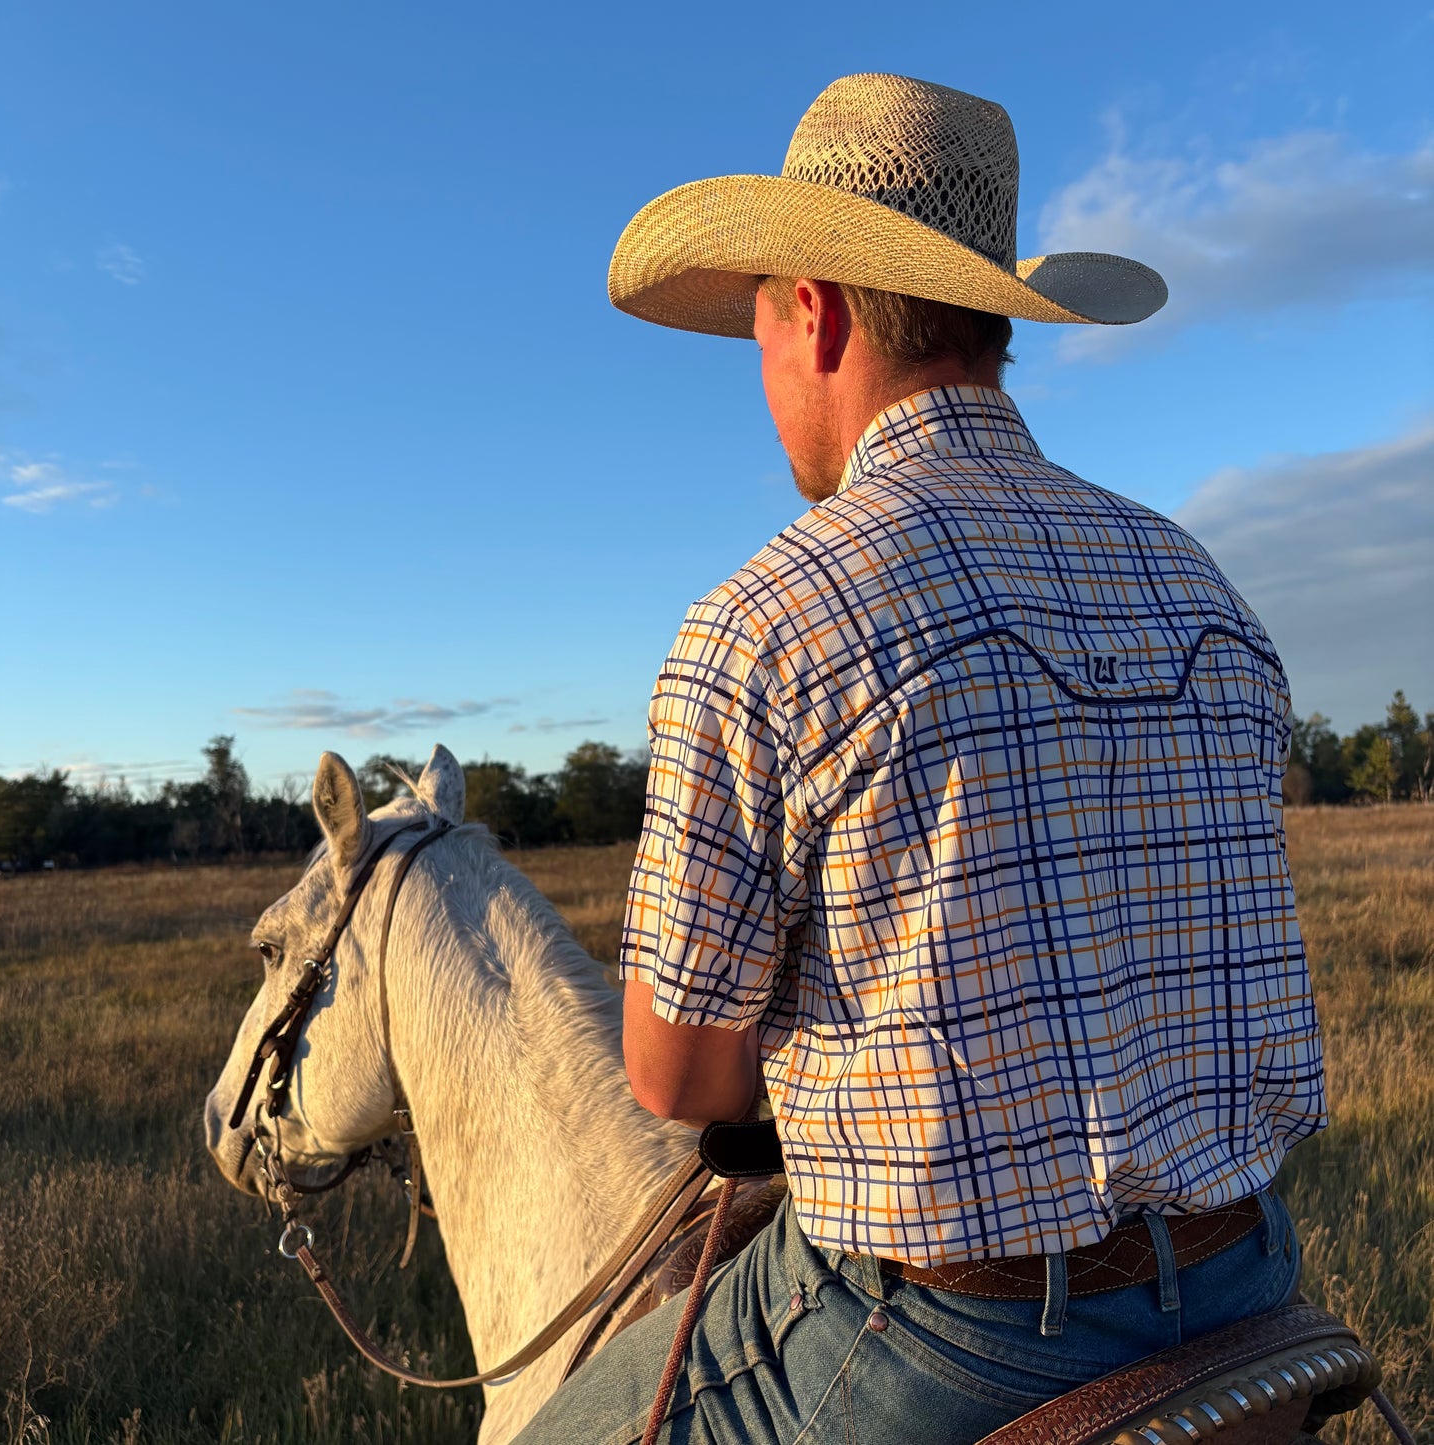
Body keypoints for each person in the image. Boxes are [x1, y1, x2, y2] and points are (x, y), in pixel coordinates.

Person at [513, 73, 1325, 1445]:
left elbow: (678, 1082)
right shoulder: (1199, 585)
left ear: (814, 313)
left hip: (958, 1329)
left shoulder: (763, 621)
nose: (763, 383)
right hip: (1248, 1266)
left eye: (757, 326)